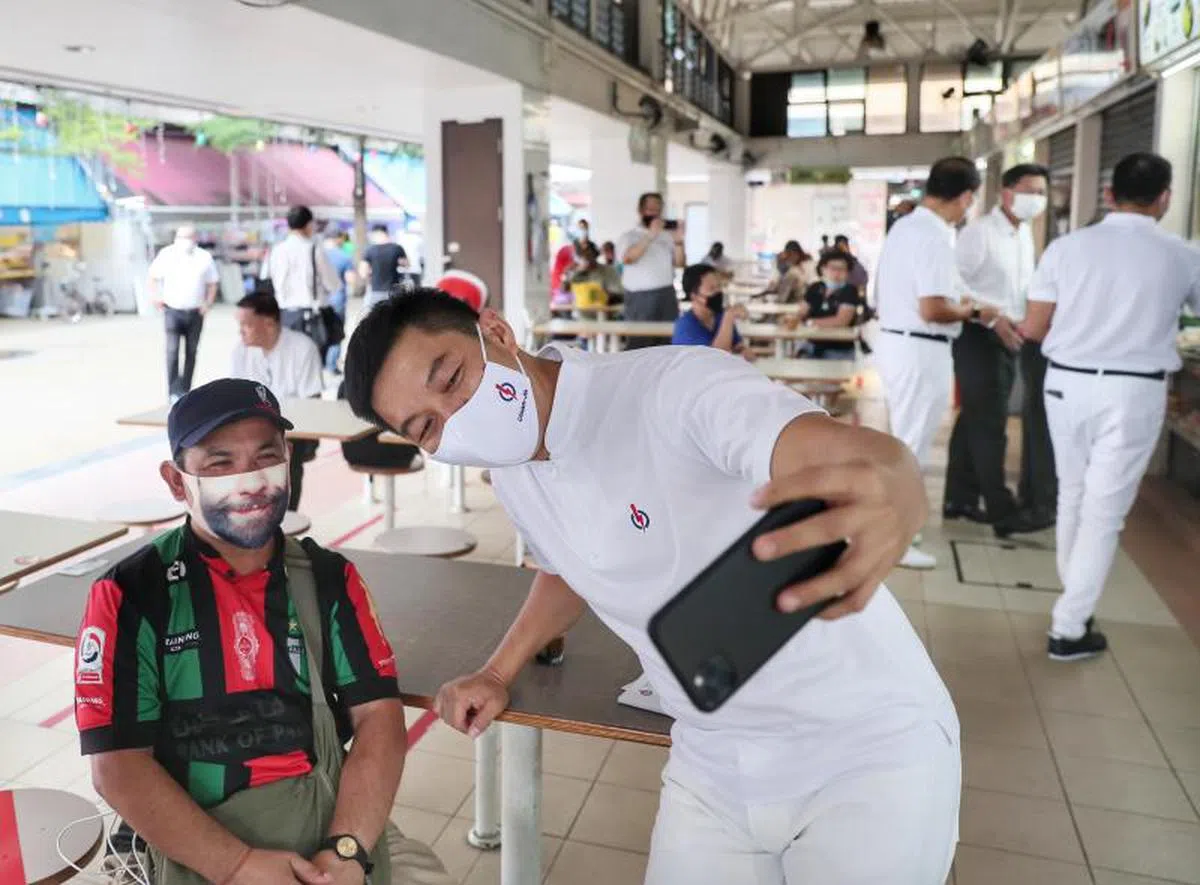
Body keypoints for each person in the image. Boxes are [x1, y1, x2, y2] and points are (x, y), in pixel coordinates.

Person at [342, 290, 959, 885]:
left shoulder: (671, 388)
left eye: (451, 378)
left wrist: (893, 472)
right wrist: (498, 672)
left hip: (861, 742)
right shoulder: (515, 474)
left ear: (496, 332)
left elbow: (821, 448)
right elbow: (566, 570)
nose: (455, 419)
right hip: (712, 756)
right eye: (426, 427)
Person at [74, 378, 451, 885]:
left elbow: (379, 719)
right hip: (200, 848)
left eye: (265, 456)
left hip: (329, 834)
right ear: (175, 480)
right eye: (220, 463)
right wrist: (237, 866)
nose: (250, 481)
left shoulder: (329, 579)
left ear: (289, 461)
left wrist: (346, 850)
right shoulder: (131, 596)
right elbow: (118, 766)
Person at [1020, 152, 1200, 660]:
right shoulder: (1183, 254)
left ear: (1107, 194)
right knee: (1105, 511)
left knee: (1074, 494)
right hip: (1133, 391)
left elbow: (1034, 328)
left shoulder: (1065, 248)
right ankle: (1069, 627)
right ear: (1165, 198)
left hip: (1065, 385)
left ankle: (1074, 600)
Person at [874, 157, 998, 570]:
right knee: (911, 447)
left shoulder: (906, 227)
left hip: (901, 344)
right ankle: (897, 540)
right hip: (920, 347)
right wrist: (970, 312)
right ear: (964, 196)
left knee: (906, 442)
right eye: (969, 201)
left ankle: (895, 532)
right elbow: (932, 308)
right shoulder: (933, 235)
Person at [945, 163, 1051, 538]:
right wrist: (991, 318)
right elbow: (951, 286)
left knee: (974, 416)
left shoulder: (1022, 234)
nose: (1036, 199)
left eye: (1041, 192)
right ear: (1007, 193)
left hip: (1011, 334)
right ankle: (1001, 509)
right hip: (979, 334)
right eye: (1029, 190)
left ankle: (958, 497)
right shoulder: (979, 234)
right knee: (991, 422)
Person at [232, 293, 324, 511]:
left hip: (294, 431)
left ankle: (285, 517)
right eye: (239, 325)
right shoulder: (240, 352)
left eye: (247, 325)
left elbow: (311, 402)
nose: (240, 331)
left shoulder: (303, 347)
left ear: (270, 323)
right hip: (252, 430)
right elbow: (235, 398)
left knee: (286, 456)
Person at [148, 225, 220, 402]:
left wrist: (208, 303)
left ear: (195, 239)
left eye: (189, 237)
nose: (185, 241)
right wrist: (155, 296)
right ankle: (172, 390)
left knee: (192, 352)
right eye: (182, 237)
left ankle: (185, 390)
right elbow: (152, 277)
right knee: (172, 351)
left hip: (195, 312)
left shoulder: (204, 257)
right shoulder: (167, 254)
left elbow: (212, 282)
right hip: (172, 311)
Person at [617, 192, 685, 345]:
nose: (654, 212)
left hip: (667, 294)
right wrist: (650, 235)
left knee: (667, 342)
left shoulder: (666, 236)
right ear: (641, 211)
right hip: (639, 297)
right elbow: (628, 258)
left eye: (658, 209)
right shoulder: (629, 236)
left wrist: (679, 242)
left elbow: (680, 263)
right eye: (650, 208)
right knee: (640, 343)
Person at [262, 206, 341, 339]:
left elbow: (265, 279)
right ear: (309, 224)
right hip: (311, 318)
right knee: (313, 357)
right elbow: (332, 284)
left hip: (284, 315)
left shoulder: (275, 251)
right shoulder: (314, 250)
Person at [784, 251, 860, 359]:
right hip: (811, 345)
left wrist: (810, 322)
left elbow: (841, 321)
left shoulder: (850, 291)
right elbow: (802, 312)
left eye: (842, 269)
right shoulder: (815, 287)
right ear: (823, 269)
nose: (837, 273)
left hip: (838, 350)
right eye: (833, 268)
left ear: (848, 272)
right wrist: (796, 318)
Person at [672, 263, 747, 355]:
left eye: (719, 286)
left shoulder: (719, 315)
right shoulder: (685, 326)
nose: (718, 292)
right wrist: (729, 318)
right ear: (694, 295)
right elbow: (715, 357)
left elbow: (735, 342)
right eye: (711, 289)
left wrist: (742, 349)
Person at [323, 228, 356, 374]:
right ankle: (331, 366)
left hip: (320, 301)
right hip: (337, 300)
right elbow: (351, 279)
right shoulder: (344, 257)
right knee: (336, 334)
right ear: (338, 239)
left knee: (321, 332)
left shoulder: (318, 254)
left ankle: (322, 364)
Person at [360, 225, 409, 313]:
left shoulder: (370, 250)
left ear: (377, 233)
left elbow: (363, 273)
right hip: (394, 290)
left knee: (375, 317)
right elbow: (406, 264)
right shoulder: (397, 248)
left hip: (376, 290)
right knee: (395, 316)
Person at [563, 240, 623, 306]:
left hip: (604, 312)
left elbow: (620, 295)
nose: (586, 258)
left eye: (588, 254)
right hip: (579, 313)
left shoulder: (608, 271)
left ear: (595, 254)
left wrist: (601, 295)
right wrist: (571, 274)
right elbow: (564, 290)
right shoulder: (576, 272)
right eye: (581, 255)